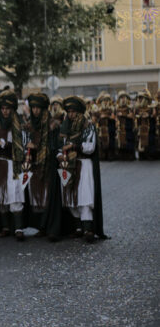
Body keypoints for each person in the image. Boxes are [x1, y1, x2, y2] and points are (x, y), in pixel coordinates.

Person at [57, 96, 106, 242]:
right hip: (68, 165)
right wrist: (59, 155)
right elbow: (59, 146)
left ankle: (88, 229)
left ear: (79, 112)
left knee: (84, 197)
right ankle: (78, 227)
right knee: (70, 197)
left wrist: (74, 146)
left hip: (83, 165)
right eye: (69, 112)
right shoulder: (64, 127)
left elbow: (90, 148)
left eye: (74, 112)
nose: (71, 115)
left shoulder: (88, 126)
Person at [0, 90, 26, 240]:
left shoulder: (19, 124)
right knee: (0, 196)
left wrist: (2, 143)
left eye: (8, 108)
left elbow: (19, 144)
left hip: (12, 164)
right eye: (2, 108)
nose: (5, 111)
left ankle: (18, 229)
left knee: (15, 195)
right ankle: (6, 227)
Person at [23, 93, 62, 240]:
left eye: (38, 108)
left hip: (49, 164)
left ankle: (51, 226)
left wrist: (37, 145)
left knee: (49, 196)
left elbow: (54, 146)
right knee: (37, 196)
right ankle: (40, 226)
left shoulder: (53, 125)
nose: (35, 111)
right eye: (33, 108)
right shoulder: (29, 125)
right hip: (35, 165)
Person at [114, 91, 136, 160]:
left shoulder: (130, 108)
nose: (123, 99)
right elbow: (114, 117)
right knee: (121, 142)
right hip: (120, 128)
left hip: (128, 127)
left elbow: (131, 116)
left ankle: (130, 156)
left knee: (129, 141)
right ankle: (122, 155)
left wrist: (123, 115)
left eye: (124, 97)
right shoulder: (116, 108)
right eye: (121, 97)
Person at [96, 92, 116, 161]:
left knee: (110, 142)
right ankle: (103, 156)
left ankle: (110, 156)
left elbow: (113, 118)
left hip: (110, 128)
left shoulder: (112, 109)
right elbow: (95, 119)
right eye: (104, 100)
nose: (105, 102)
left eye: (107, 100)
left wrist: (106, 116)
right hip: (101, 129)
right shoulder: (98, 110)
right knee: (102, 143)